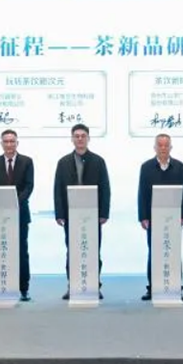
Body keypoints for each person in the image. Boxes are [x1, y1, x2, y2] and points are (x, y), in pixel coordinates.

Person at [53, 123, 111, 300]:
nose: (80, 139)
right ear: (72, 139)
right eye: (76, 136)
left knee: (93, 250)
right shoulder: (63, 162)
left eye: (83, 136)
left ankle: (94, 285)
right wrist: (59, 214)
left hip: (93, 215)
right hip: (71, 215)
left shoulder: (98, 161)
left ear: (88, 138)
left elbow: (105, 188)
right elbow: (58, 189)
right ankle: (73, 285)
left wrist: (104, 213)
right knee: (72, 251)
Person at [137, 133, 183, 301]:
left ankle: (176, 287)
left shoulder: (179, 166)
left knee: (174, 252)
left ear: (171, 147)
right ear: (155, 147)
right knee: (154, 252)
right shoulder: (146, 167)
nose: (163, 148)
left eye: (166, 145)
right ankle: (153, 288)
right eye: (160, 145)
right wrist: (143, 217)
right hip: (153, 218)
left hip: (174, 218)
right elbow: (142, 193)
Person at [0, 129, 35, 302]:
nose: (9, 144)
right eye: (6, 141)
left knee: (21, 251)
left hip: (20, 213)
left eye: (12, 141)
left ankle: (24, 288)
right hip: (0, 215)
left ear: (17, 143)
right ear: (1, 144)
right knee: (2, 250)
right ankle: (2, 285)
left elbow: (29, 186)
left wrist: (14, 203)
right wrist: (3, 204)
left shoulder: (27, 161)